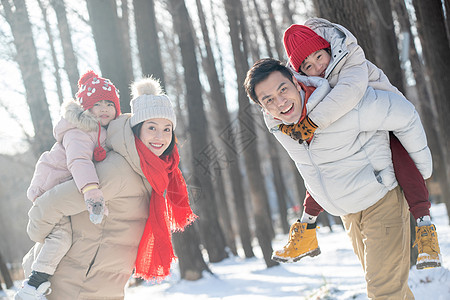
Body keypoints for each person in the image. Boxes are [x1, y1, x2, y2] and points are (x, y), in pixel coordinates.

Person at [244, 58, 432, 298]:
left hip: (381, 200)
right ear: (261, 106)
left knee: (383, 290)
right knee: (390, 288)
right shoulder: (279, 127)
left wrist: (424, 168)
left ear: (294, 80)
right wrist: (308, 216)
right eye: (268, 100)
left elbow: (403, 114)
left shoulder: (337, 102)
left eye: (283, 90)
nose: (280, 103)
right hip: (348, 212)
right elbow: (315, 170)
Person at [272, 18, 441, 270]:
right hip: (350, 132)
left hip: (384, 123)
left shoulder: (350, 60)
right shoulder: (311, 84)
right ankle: (306, 227)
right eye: (307, 66)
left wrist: (312, 121)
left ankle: (425, 228)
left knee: (403, 161)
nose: (317, 67)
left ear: (328, 50)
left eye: (319, 57)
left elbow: (348, 94)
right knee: (322, 163)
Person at [20, 77, 196, 299]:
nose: (160, 136)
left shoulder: (153, 173)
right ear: (138, 129)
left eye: (167, 129)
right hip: (73, 286)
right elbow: (50, 204)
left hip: (103, 287)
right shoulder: (119, 170)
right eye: (152, 127)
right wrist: (39, 234)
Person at [15, 70, 120, 300]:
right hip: (51, 186)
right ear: (86, 109)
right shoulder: (80, 130)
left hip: (64, 186)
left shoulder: (101, 131)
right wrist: (91, 190)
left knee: (55, 239)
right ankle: (33, 286)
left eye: (109, 103)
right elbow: (79, 161)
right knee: (61, 237)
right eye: (97, 104)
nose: (104, 108)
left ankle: (32, 271)